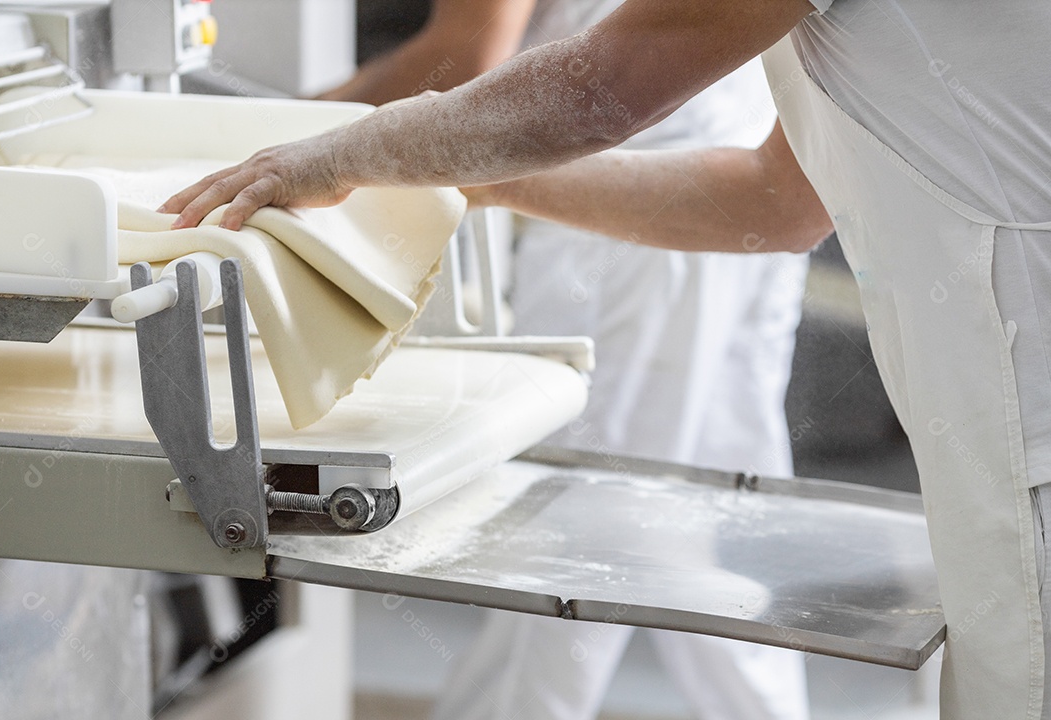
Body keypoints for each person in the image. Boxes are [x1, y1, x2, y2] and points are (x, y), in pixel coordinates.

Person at [161, 2, 1051, 717]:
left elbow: (605, 85)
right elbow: (776, 200)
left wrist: (347, 153)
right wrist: (450, 175)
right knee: (682, 535)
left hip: (1030, 430)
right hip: (997, 434)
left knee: (591, 534)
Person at [316, 2, 810, 718]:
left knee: (571, 545)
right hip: (732, 171)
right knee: (705, 532)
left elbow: (466, 56)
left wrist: (293, 132)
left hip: (631, 200)